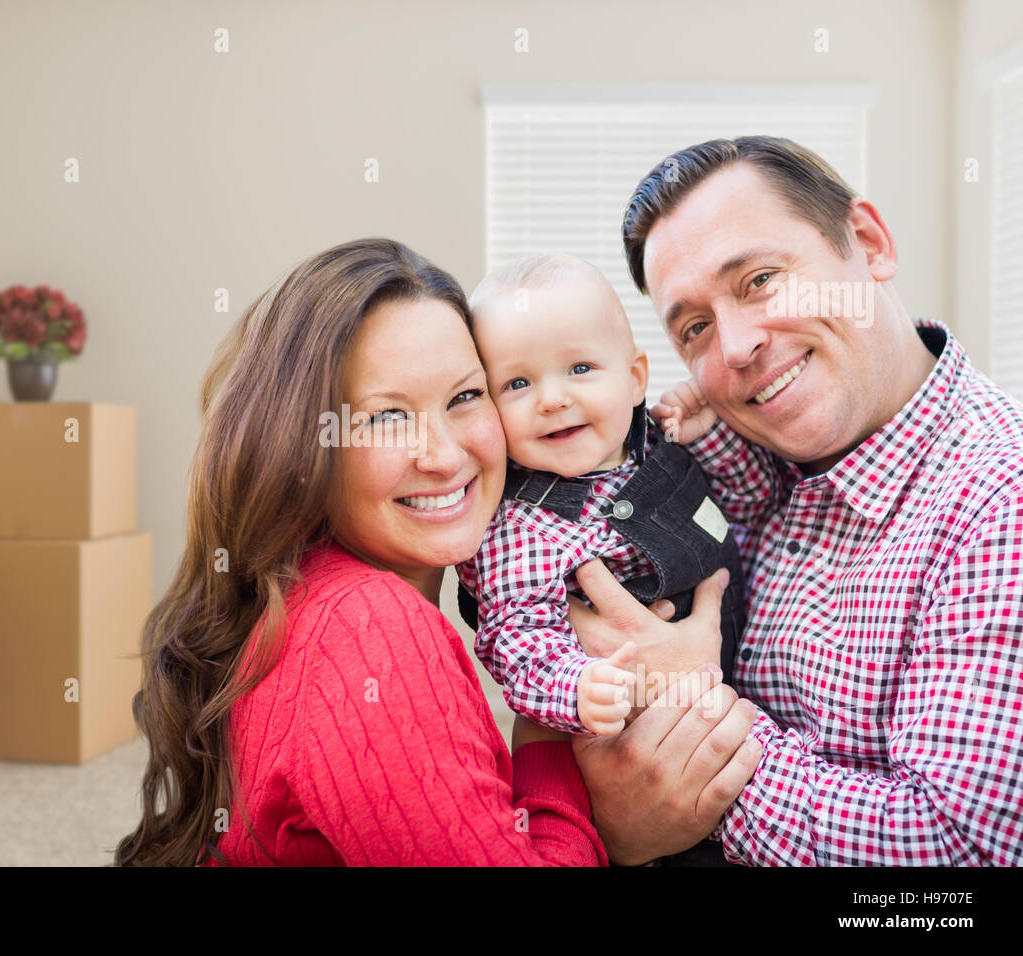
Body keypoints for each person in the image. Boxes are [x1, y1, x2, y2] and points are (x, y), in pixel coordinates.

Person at [112, 237, 761, 866]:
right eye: (387, 416)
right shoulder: (372, 633)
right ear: (302, 447)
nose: (446, 456)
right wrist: (579, 788)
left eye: (464, 397)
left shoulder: (312, 592)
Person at [570, 135, 1023, 865]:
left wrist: (693, 739)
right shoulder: (733, 470)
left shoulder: (1000, 502)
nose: (739, 346)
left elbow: (961, 858)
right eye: (695, 327)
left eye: (758, 280)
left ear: (869, 245)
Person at [454, 252, 750, 737]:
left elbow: (749, 503)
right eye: (518, 383)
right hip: (639, 731)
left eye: (580, 367)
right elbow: (517, 638)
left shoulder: (659, 442)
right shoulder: (520, 526)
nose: (552, 399)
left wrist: (708, 433)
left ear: (635, 379)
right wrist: (578, 685)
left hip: (746, 690)